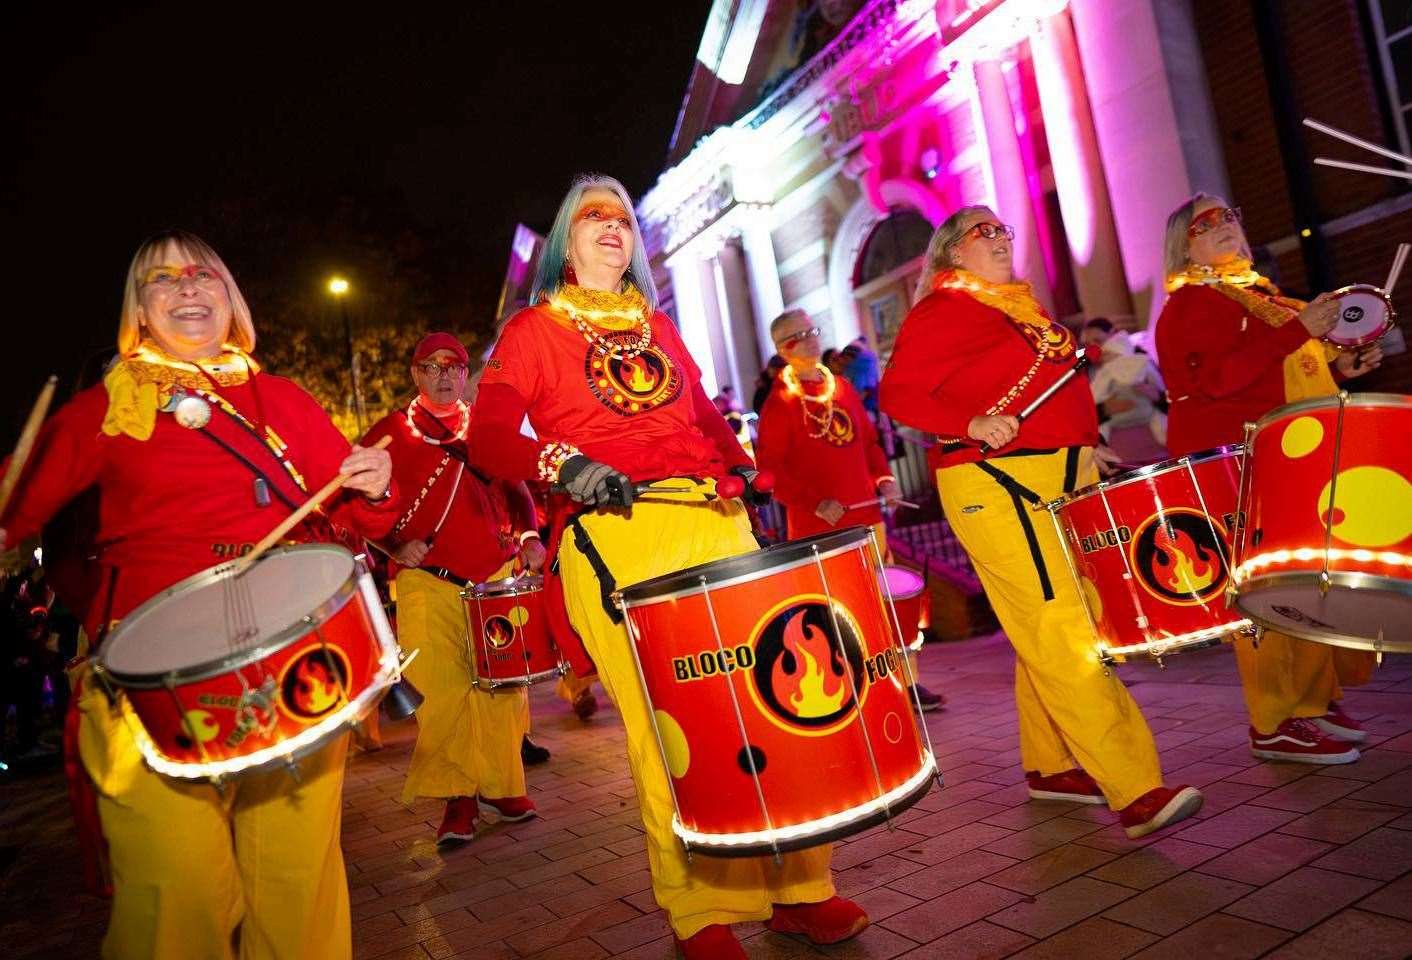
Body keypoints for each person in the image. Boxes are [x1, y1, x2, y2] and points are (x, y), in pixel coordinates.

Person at [468, 174, 868, 959]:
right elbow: (486, 441)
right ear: (564, 241)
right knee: (673, 730)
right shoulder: (530, 331)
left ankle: (799, 891)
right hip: (615, 531)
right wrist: (563, 465)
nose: (613, 228)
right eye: (592, 217)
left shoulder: (657, 324)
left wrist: (743, 468)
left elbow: (706, 418)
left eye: (622, 218)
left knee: (769, 707)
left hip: (713, 521)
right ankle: (700, 912)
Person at [0, 230, 396, 960]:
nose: (186, 288)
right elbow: (17, 512)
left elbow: (352, 515)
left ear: (229, 298)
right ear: (139, 311)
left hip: (286, 662)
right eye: (162, 280)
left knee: (295, 881)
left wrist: (375, 484)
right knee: (175, 890)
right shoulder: (109, 405)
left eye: (203, 275)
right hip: (151, 679)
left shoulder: (282, 400)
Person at [880, 205, 1202, 839]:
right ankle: (1132, 784)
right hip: (998, 480)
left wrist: (1086, 443)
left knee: (1061, 614)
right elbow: (898, 394)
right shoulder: (944, 309)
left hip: (1064, 471)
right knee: (1059, 624)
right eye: (984, 232)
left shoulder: (1014, 311)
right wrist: (968, 424)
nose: (1000, 238)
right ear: (951, 251)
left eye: (1004, 230)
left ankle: (1051, 765)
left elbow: (1051, 392)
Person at [1155, 193, 1381, 764]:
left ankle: (1314, 700)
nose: (1228, 224)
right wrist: (1298, 329)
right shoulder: (1192, 304)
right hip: (1238, 459)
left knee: (1306, 582)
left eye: (1233, 214)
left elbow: (1280, 364)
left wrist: (1338, 363)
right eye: (1210, 222)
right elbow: (1216, 381)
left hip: (1292, 453)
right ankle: (1277, 719)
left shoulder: (1260, 297)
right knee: (1269, 591)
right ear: (1186, 244)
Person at [362, 332, 544, 843]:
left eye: (453, 366)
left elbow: (517, 489)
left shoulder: (485, 427)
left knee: (505, 688)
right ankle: (457, 798)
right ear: (416, 374)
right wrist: (394, 548)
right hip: (426, 581)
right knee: (441, 692)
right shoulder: (389, 434)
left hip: (493, 578)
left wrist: (529, 537)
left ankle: (502, 784)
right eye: (431, 366)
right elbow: (354, 504)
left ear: (465, 375)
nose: (443, 375)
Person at [755, 309, 944, 711]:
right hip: (817, 532)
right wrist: (815, 502)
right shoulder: (778, 404)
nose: (808, 339)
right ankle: (852, 687)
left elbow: (872, 445)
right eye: (796, 335)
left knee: (889, 603)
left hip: (867, 521)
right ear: (781, 349)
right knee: (833, 614)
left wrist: (885, 480)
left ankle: (908, 684)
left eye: (811, 331)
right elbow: (770, 472)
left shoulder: (840, 388)